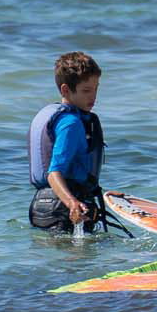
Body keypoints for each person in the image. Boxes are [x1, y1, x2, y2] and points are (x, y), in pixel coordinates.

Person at [28, 51, 106, 234]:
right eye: (86, 90)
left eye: (96, 88)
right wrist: (72, 203)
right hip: (65, 209)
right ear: (65, 90)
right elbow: (53, 173)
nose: (93, 96)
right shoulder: (71, 123)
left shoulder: (54, 116)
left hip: (42, 207)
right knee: (82, 261)